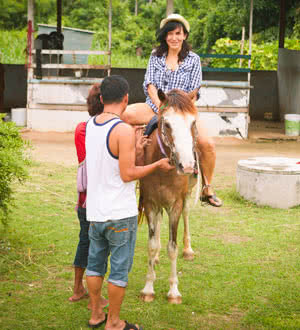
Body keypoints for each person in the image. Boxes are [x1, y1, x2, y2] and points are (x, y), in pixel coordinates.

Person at [85, 75, 174, 329]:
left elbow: (109, 160)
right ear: (126, 98)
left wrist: (135, 148)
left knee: (95, 265)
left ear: (102, 99)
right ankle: (113, 322)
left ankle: (95, 315)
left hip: (96, 211)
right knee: (119, 271)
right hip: (120, 214)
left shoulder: (91, 124)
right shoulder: (122, 129)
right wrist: (157, 164)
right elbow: (127, 174)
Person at [121, 14, 222, 207]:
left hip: (183, 112)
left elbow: (194, 90)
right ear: (164, 36)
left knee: (207, 143)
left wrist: (175, 111)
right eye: (169, 34)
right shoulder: (155, 56)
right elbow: (150, 85)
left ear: (184, 35)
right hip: (156, 107)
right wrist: (162, 108)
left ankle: (207, 188)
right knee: (126, 115)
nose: (174, 38)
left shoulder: (193, 60)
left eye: (178, 33)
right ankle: (129, 164)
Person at [69, 83, 108, 310]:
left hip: (84, 198)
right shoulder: (107, 129)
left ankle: (77, 289)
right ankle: (96, 297)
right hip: (100, 198)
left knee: (85, 241)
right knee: (99, 246)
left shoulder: (81, 128)